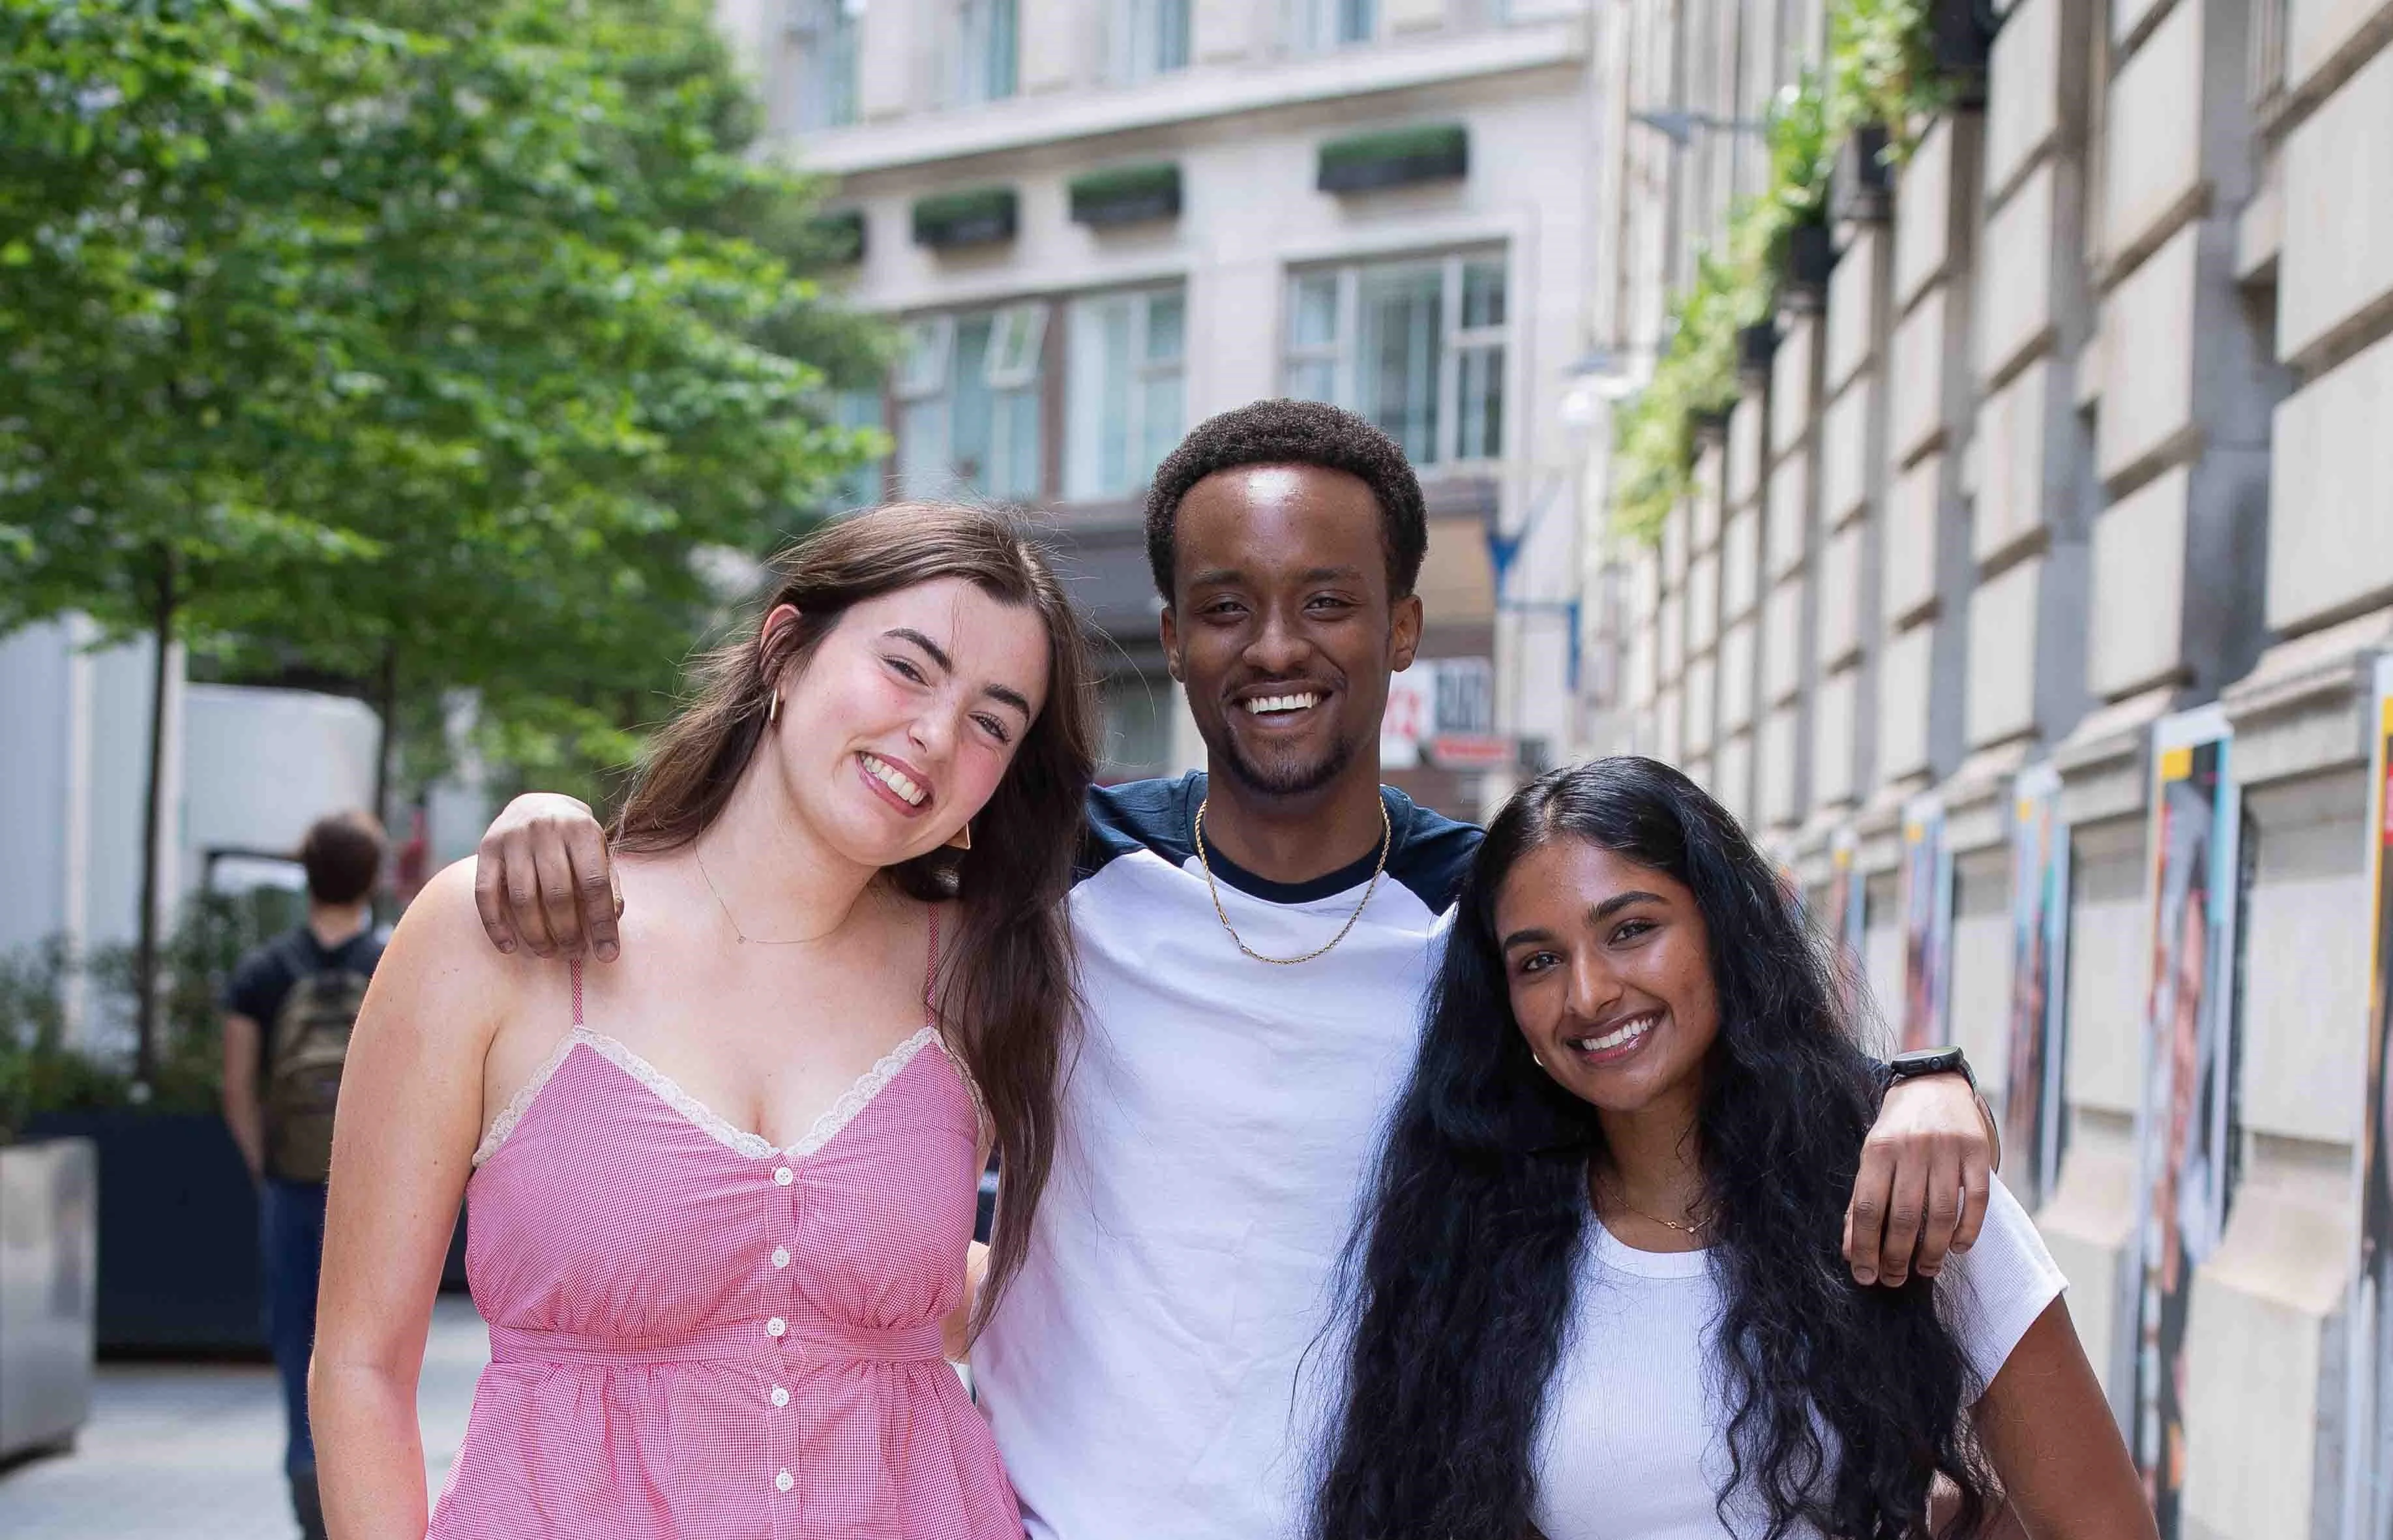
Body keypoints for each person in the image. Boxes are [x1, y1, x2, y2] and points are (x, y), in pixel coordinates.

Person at [473, 399, 2003, 1540]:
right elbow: (778, 870)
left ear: (1402, 626)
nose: (1279, 644)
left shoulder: (1486, 921)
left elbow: (1715, 1045)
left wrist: (1922, 1086)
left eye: (1328, 600)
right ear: (1177, 638)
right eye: (1227, 607)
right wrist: (559, 823)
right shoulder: (1040, 877)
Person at [308, 503, 1098, 1539]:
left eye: (993, 720)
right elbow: (360, 1364)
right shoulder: (500, 933)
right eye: (907, 666)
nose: (936, 734)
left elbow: (893, 1292)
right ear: (783, 652)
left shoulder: (989, 970)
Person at [1313, 757, 2152, 1540]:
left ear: (1721, 927)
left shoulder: (1895, 1189)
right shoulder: (1474, 1232)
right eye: (1538, 960)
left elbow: (2101, 1524)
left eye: (1632, 929)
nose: (1589, 992)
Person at [222, 810, 389, 1540]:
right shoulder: (391, 961)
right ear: (372, 877)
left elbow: (236, 1085)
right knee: (378, 1348)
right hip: (379, 1196)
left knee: (300, 1342)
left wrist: (267, 1167)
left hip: (292, 1186)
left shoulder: (262, 970)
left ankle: (307, 1476)